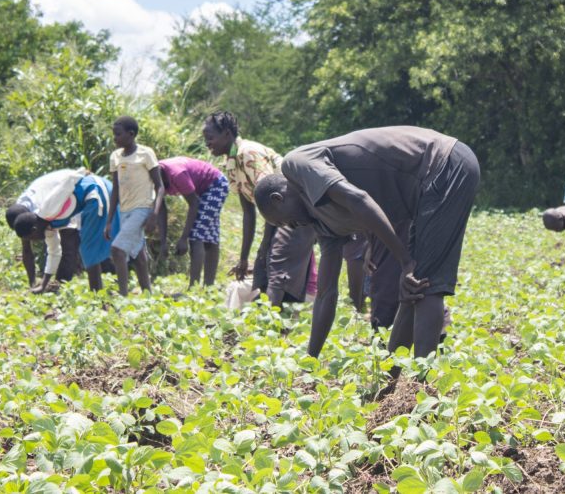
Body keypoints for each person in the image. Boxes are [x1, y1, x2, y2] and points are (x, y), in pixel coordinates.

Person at [254, 125, 480, 359]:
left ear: (278, 199)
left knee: (425, 285)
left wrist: (405, 262)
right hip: (419, 194)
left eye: (284, 222)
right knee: (410, 290)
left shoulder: (297, 163)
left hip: (443, 164)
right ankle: (392, 374)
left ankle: (423, 377)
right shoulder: (323, 225)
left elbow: (358, 199)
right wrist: (310, 360)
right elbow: (325, 294)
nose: (291, 227)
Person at [202, 111, 317, 307]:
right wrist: (244, 258)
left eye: (210, 138)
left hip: (295, 212)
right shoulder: (231, 163)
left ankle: (271, 316)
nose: (207, 144)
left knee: (277, 264)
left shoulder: (248, 152)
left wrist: (265, 244)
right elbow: (248, 213)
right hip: (280, 214)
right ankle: (272, 313)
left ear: (227, 134)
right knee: (264, 266)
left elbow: (274, 197)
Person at [12, 171, 121, 294]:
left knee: (88, 249)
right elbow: (54, 253)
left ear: (34, 230)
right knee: (101, 243)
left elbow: (68, 181)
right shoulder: (48, 228)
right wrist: (43, 285)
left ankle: (97, 295)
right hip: (91, 201)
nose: (35, 241)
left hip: (95, 190)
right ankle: (100, 292)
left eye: (32, 238)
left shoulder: (48, 207)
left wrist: (81, 172)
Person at [105, 116, 164, 296]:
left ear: (131, 134)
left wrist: (154, 213)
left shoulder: (145, 154)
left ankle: (123, 295)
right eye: (114, 134)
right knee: (138, 254)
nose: (115, 138)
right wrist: (109, 221)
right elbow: (116, 190)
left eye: (118, 134)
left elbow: (160, 187)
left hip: (142, 208)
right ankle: (148, 294)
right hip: (124, 210)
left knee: (117, 249)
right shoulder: (115, 157)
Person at [5, 169, 86, 289]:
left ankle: (62, 284)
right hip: (55, 189)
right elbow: (27, 250)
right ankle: (55, 282)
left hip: (72, 186)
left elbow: (58, 244)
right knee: (54, 243)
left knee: (68, 240)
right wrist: (32, 283)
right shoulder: (20, 214)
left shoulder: (41, 209)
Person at [156, 156, 229, 287]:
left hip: (215, 184)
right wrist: (163, 242)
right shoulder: (151, 178)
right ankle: (208, 287)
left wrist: (183, 238)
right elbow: (161, 209)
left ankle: (194, 287)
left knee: (196, 235)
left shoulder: (176, 174)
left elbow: (194, 203)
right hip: (203, 189)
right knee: (209, 236)